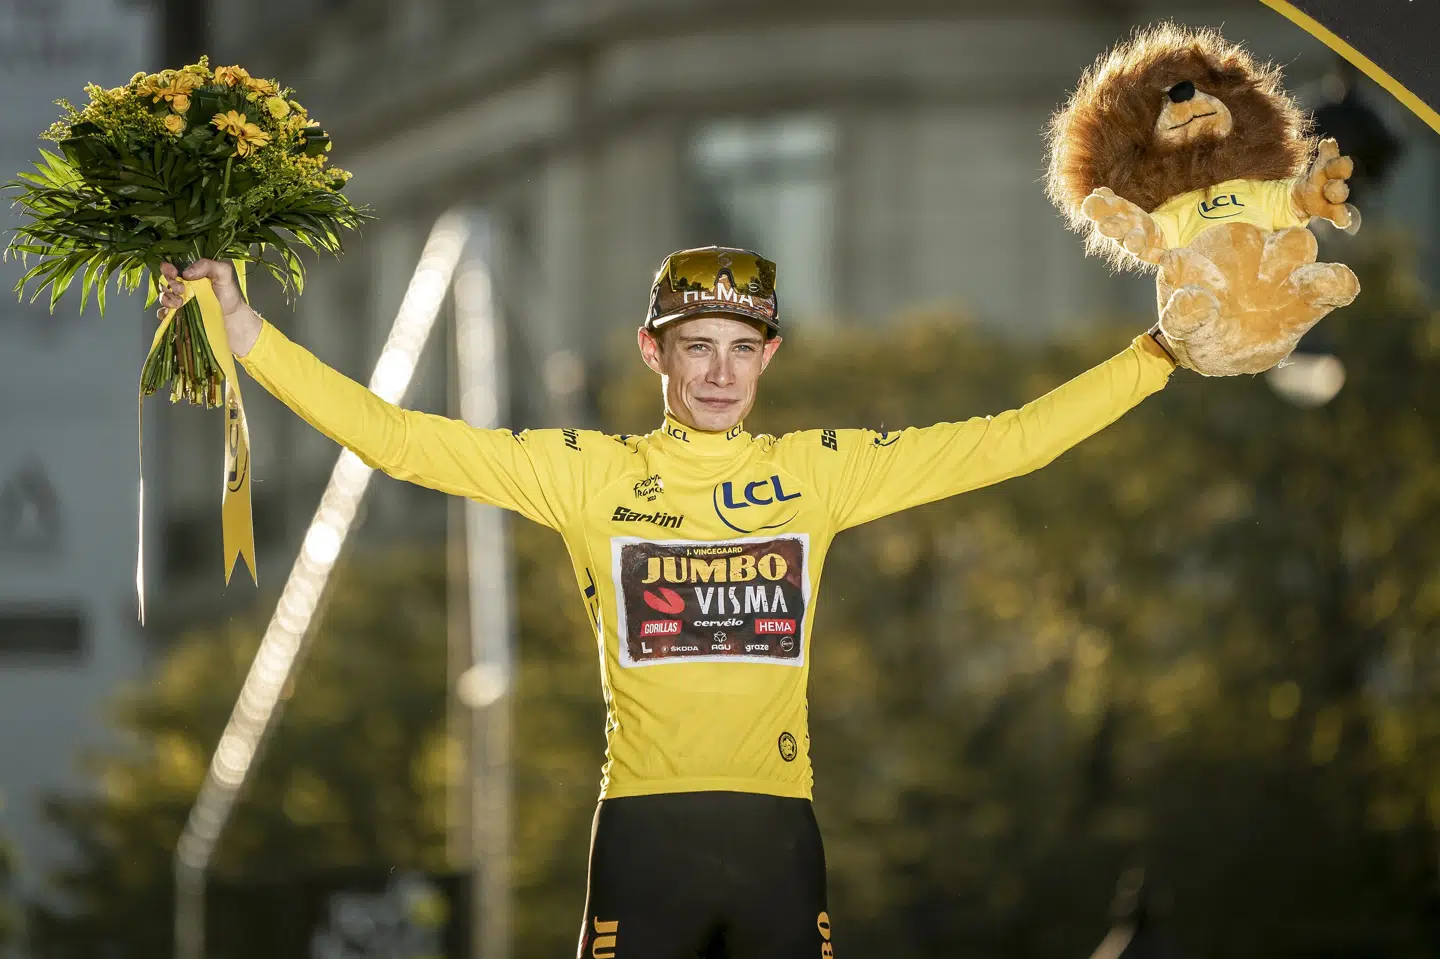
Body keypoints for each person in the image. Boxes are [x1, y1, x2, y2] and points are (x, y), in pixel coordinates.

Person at [158, 245, 1179, 959]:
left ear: (770, 355)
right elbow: (399, 437)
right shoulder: (589, 474)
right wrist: (246, 330)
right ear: (655, 351)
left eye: (744, 347)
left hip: (780, 835)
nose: (721, 371)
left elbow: (1010, 439)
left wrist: (1157, 355)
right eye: (699, 345)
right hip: (643, 836)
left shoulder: (818, 471)